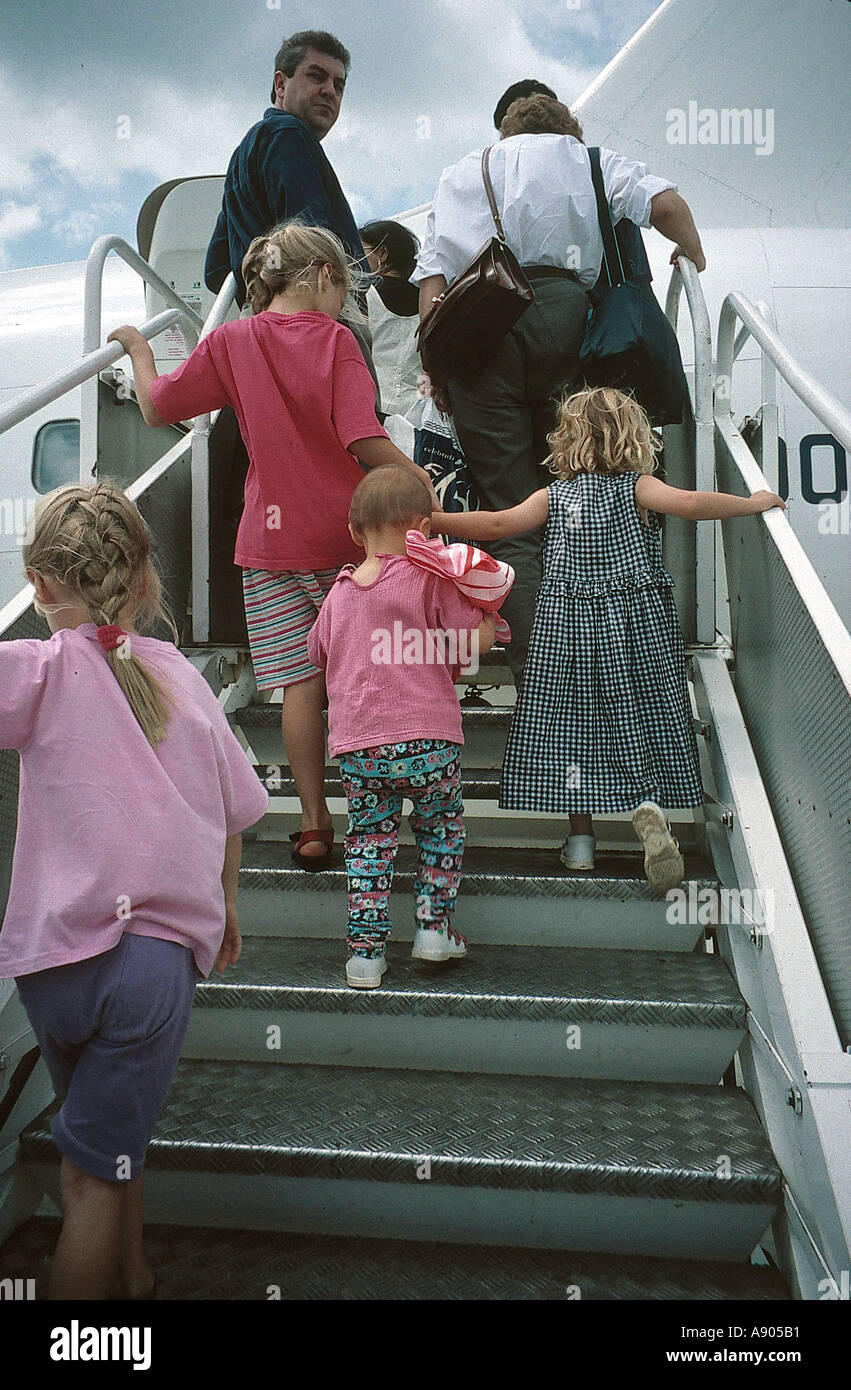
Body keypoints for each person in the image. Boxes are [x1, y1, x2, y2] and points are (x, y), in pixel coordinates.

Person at [0, 481, 269, 1299]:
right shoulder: (183, 682)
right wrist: (224, 907)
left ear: (39, 584)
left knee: (109, 1138)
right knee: (95, 1172)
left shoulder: (35, 671)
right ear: (144, 577)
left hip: (52, 963)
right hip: (149, 965)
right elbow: (235, 812)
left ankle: (134, 1279)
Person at [108, 224, 436, 871]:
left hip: (268, 546)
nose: (344, 301)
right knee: (367, 678)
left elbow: (156, 407)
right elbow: (361, 436)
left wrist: (137, 349)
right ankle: (382, 811)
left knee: (297, 686)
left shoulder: (231, 340)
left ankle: (314, 825)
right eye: (343, 285)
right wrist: (417, 480)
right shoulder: (338, 342)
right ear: (321, 276)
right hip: (350, 544)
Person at [412, 93, 706, 689]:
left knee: (510, 512)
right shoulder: (591, 161)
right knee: (586, 503)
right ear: (568, 126)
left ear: (506, 130)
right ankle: (606, 670)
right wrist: (693, 253)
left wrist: (439, 369)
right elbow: (667, 205)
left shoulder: (466, 171)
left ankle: (540, 677)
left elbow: (434, 280)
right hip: (573, 325)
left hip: (482, 332)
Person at [432, 387, 785, 882]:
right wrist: (751, 503)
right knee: (637, 710)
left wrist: (434, 520)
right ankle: (647, 804)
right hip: (633, 629)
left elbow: (496, 523)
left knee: (574, 727)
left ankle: (580, 842)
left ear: (567, 441)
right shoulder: (638, 487)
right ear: (633, 439)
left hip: (566, 632)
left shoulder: (552, 496)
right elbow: (689, 503)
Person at [307, 467, 498, 989]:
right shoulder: (430, 579)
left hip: (361, 749)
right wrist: (485, 625)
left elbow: (318, 654)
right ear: (423, 529)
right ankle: (433, 929)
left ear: (354, 532)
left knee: (368, 842)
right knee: (439, 829)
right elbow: (470, 645)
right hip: (429, 741)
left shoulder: (339, 595)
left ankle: (365, 956)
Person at [205, 30, 367, 309]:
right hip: (316, 325)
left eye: (339, 85)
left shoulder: (245, 156)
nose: (330, 90)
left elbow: (215, 269)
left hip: (265, 322)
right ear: (280, 85)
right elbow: (313, 254)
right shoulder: (288, 133)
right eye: (316, 76)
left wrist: (260, 297)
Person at [358, 219, 422, 417]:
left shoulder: (362, 295)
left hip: (373, 407)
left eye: (361, 251)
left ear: (383, 254)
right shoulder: (428, 297)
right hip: (419, 410)